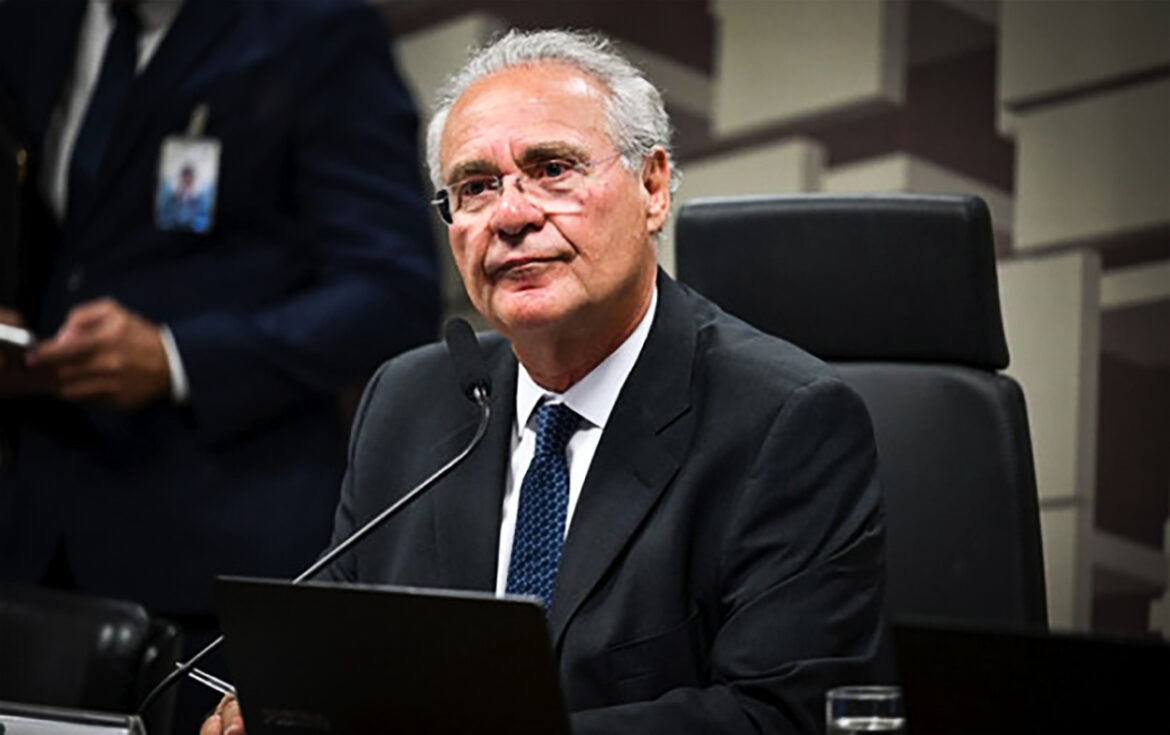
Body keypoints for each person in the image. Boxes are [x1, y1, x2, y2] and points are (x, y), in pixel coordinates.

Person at [204, 28, 885, 735]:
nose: (511, 215)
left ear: (653, 188)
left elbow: (780, 715)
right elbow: (333, 655)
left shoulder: (784, 421)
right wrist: (277, 700)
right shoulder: (407, 403)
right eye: (475, 187)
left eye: (553, 169)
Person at [0, 0, 438, 727]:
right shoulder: (33, 22)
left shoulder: (317, 28)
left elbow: (391, 292)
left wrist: (178, 357)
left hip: (213, 548)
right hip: (35, 543)